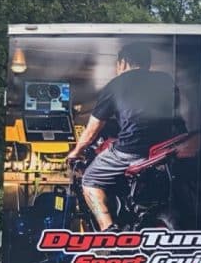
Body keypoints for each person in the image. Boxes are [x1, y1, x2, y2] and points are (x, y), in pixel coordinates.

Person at [66, 42, 183, 231]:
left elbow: (92, 130)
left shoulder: (115, 85)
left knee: (89, 180)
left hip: (130, 150)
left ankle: (108, 230)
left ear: (123, 63)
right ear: (147, 63)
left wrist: (76, 151)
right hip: (163, 149)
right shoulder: (165, 79)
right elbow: (174, 112)